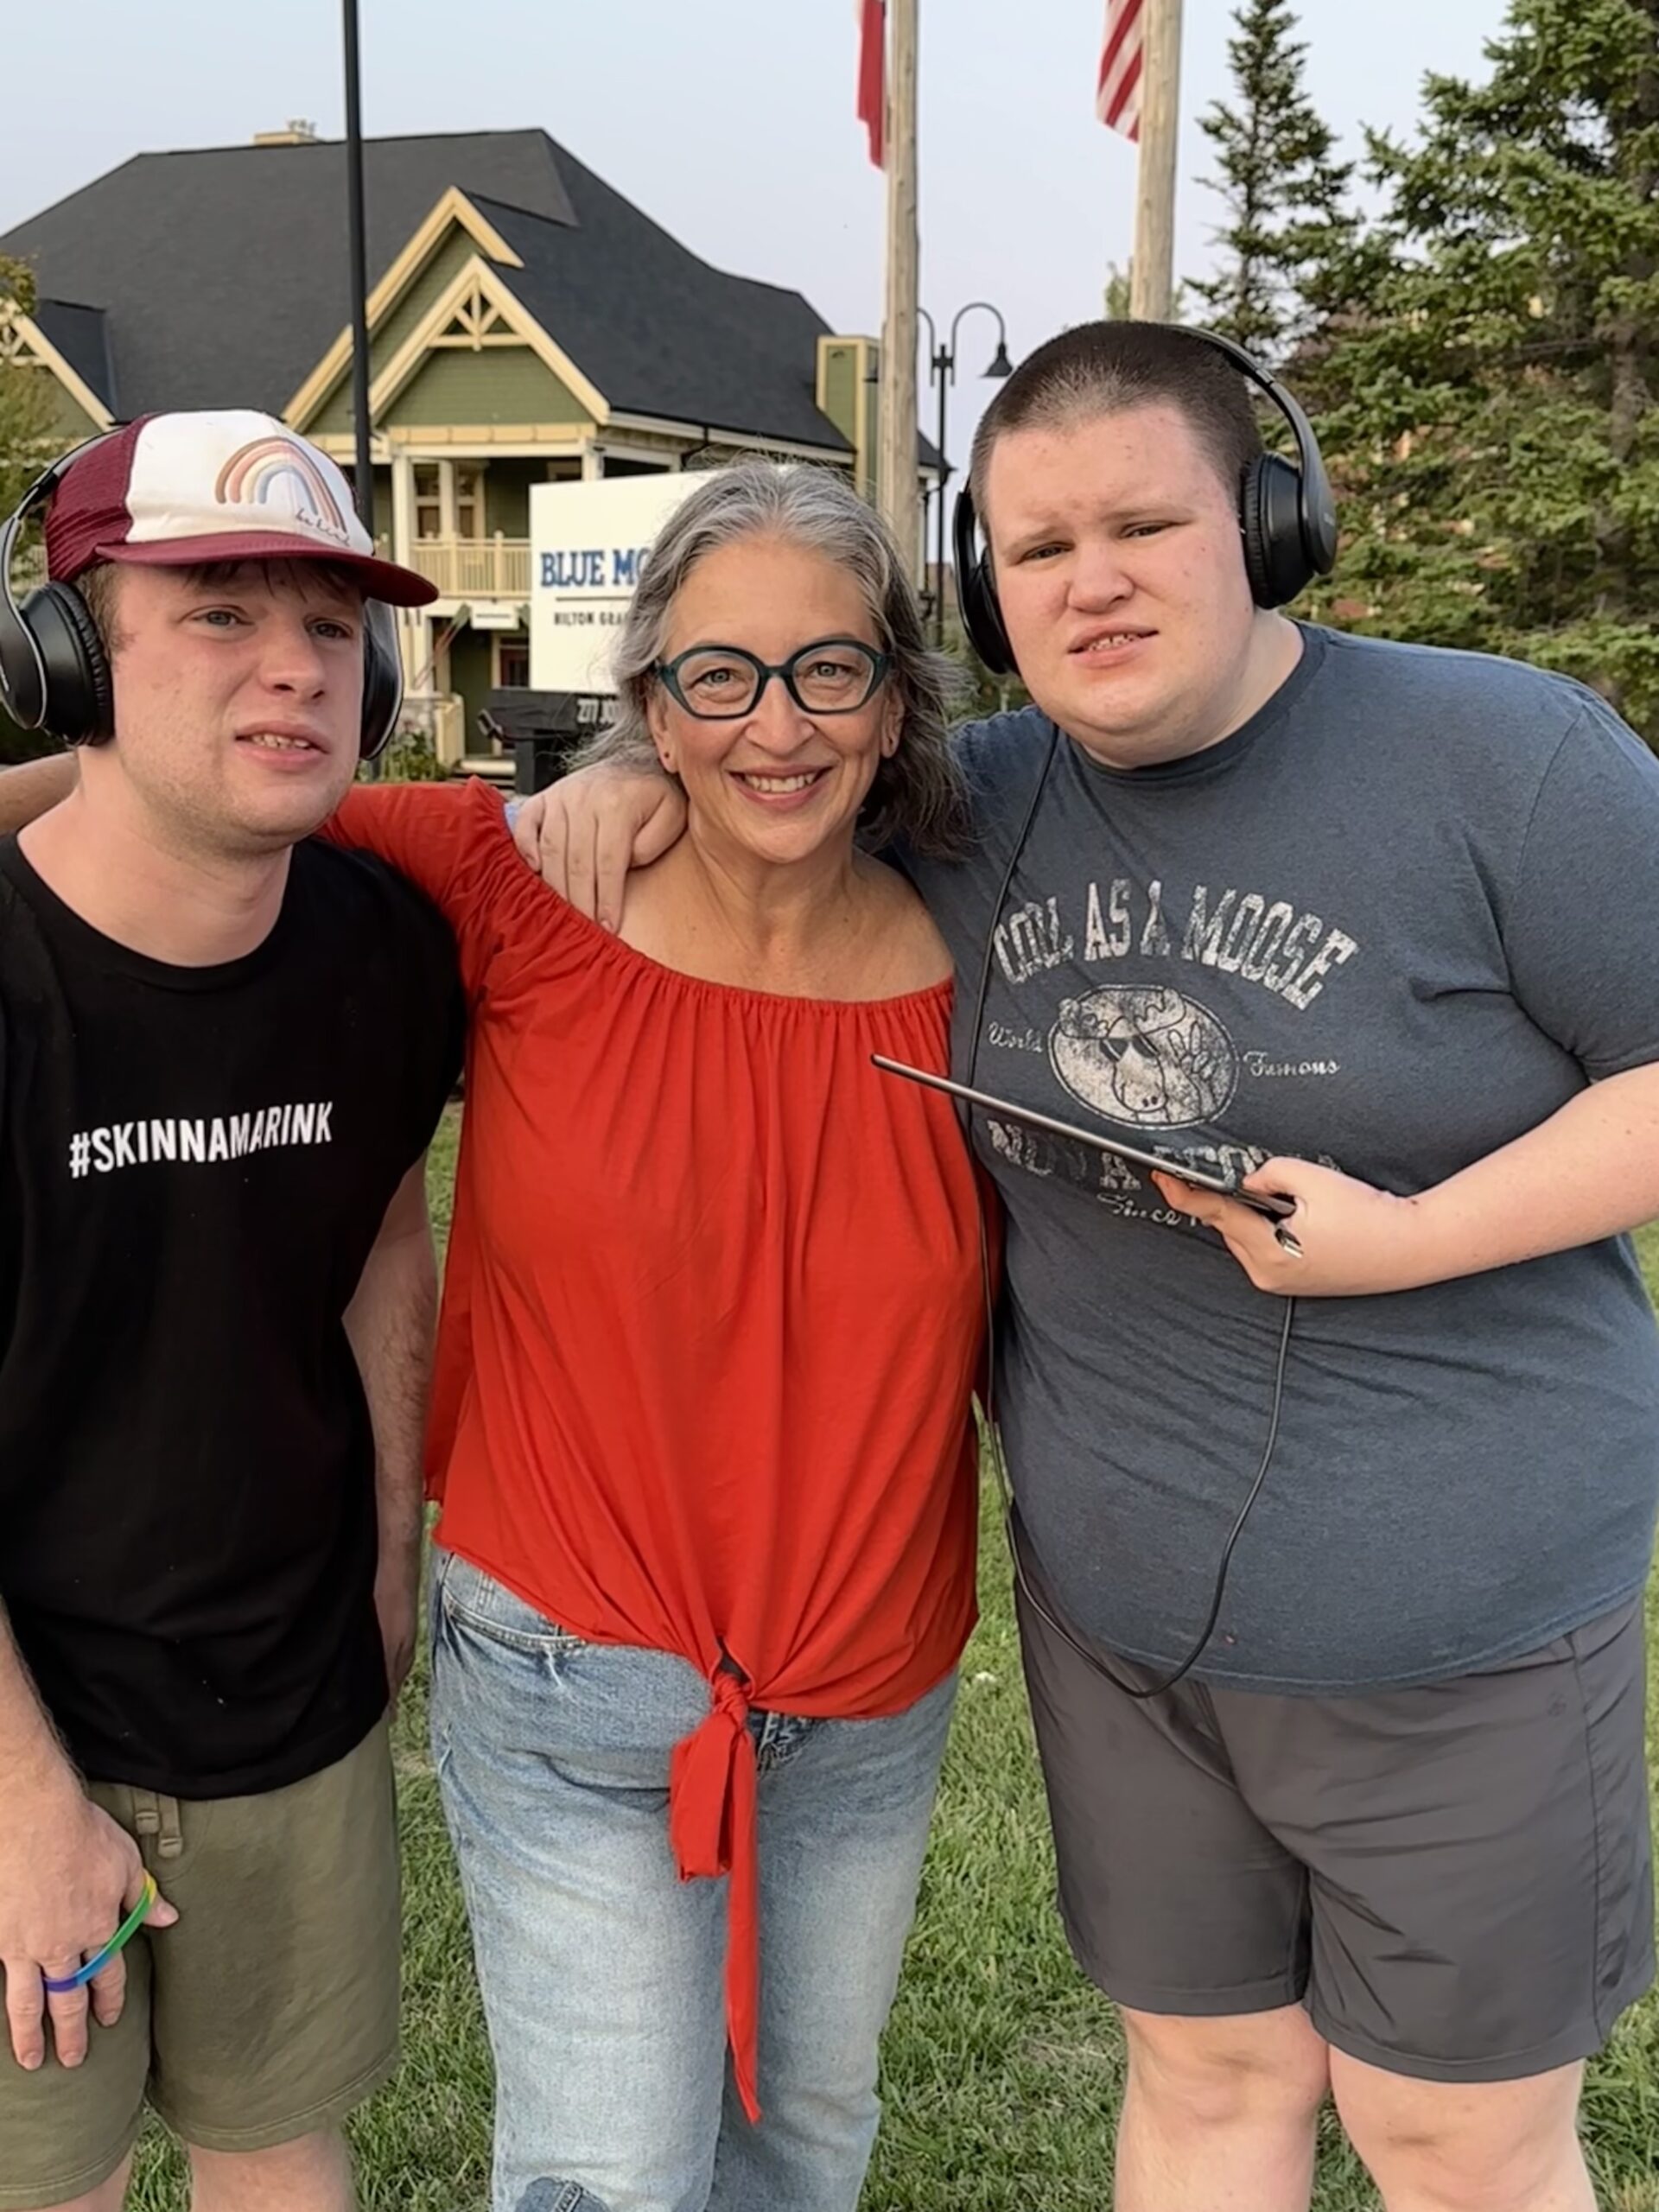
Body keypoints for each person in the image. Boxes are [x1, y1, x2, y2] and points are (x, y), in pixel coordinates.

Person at [512, 322, 1659, 2212]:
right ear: (983, 583)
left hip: (1460, 1627)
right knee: (1207, 2078)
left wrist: (1418, 1237)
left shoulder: (1508, 757)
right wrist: (634, 783)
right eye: (1036, 547)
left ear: (1267, 523)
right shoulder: (965, 802)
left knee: (1452, 2133)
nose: (1090, 580)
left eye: (1142, 522)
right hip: (1126, 1630)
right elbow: (765, 764)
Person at [298, 461, 982, 2212]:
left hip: (867, 1686)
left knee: (801, 2153)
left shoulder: (982, 952)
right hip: (571, 1670)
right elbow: (174, 812)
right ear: (652, 707)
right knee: (612, 2177)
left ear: (897, 698)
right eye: (718, 676)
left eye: (830, 669)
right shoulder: (520, 888)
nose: (779, 724)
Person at [0, 412, 461, 2212]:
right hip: (29, 1714)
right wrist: (30, 1807)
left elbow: (375, 1238)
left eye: (333, 627)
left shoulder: (380, 949)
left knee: (278, 2135)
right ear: (63, 655)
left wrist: (387, 1551)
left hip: (289, 1693)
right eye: (215, 611)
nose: (291, 665)